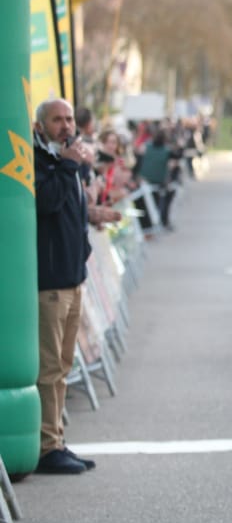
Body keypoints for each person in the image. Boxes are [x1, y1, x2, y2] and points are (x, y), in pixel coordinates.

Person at [33, 99, 118, 474]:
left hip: (72, 279)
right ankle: (46, 446)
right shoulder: (42, 162)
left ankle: (57, 440)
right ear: (40, 127)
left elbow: (73, 212)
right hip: (49, 283)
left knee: (63, 367)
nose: (67, 125)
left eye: (69, 119)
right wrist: (68, 163)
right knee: (50, 369)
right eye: (57, 120)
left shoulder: (68, 162)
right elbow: (46, 203)